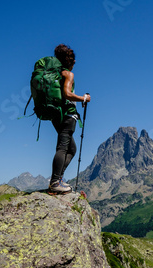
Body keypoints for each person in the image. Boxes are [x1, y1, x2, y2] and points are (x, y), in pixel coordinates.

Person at [49, 44, 90, 194]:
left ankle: (57, 179)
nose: (75, 63)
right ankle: (55, 182)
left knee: (71, 149)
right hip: (67, 116)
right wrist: (83, 98)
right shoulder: (68, 74)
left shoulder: (54, 74)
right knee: (63, 147)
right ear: (68, 60)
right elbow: (67, 94)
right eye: (73, 60)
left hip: (56, 115)